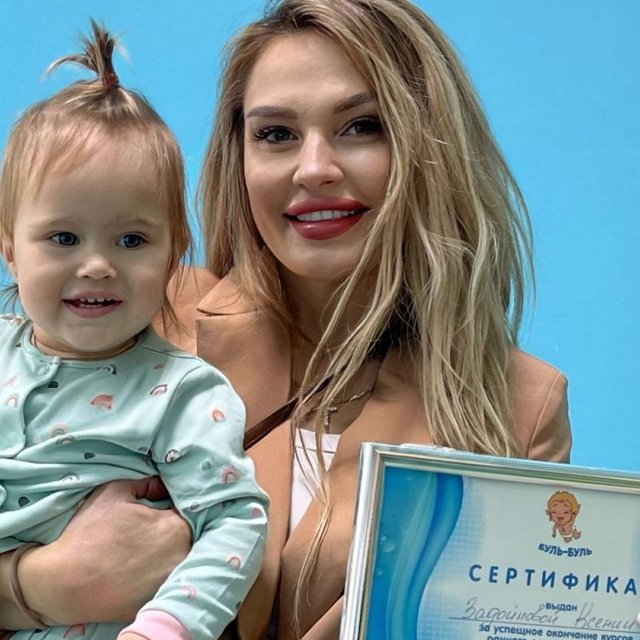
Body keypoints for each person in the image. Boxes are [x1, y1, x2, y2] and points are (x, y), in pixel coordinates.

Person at [0, 1, 570, 639]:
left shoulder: (519, 409)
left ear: (430, 145)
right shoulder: (132, 320)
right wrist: (35, 586)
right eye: (275, 134)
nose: (315, 168)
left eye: (362, 126)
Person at [0, 21, 267, 640]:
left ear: (173, 255)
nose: (97, 265)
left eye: (131, 240)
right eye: (63, 237)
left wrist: (165, 628)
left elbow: (234, 522)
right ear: (11, 249)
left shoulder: (183, 394)